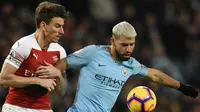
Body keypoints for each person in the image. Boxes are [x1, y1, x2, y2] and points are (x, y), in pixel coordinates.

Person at [36, 21, 198, 112]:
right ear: (112, 41)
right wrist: (50, 78)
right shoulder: (92, 53)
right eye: (124, 44)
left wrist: (181, 86)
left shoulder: (131, 64)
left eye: (132, 44)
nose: (129, 49)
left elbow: (155, 75)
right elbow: (63, 63)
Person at [0, 1, 69, 112]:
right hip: (16, 107)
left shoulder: (60, 52)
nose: (62, 31)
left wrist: (58, 75)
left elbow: (62, 92)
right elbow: (3, 79)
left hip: (44, 109)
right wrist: (37, 80)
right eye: (57, 26)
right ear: (43, 25)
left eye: (62, 27)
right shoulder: (23, 45)